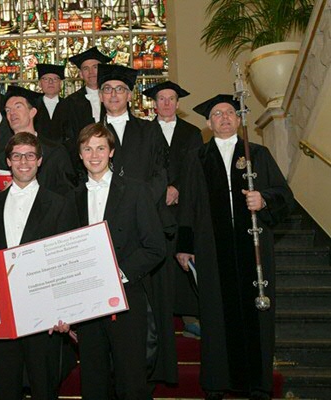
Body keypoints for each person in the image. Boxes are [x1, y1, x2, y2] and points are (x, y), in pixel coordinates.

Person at [176, 94, 294, 400]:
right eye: (217, 114)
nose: (224, 117)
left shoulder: (258, 154)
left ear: (238, 120)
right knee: (215, 313)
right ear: (208, 123)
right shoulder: (197, 158)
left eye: (229, 112)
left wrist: (264, 199)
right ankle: (216, 382)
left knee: (257, 312)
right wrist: (184, 245)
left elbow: (284, 194)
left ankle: (258, 383)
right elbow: (187, 204)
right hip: (211, 247)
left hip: (252, 245)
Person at [67, 123, 166, 399]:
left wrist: (118, 274)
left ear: (111, 152)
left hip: (126, 298)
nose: (94, 155)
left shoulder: (136, 191)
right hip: (87, 303)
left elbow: (155, 247)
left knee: (131, 379)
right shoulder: (72, 198)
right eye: (88, 149)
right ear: (80, 154)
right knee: (94, 378)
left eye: (101, 148)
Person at [0, 132, 77, 400]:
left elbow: (65, 261)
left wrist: (63, 309)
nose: (24, 161)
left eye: (30, 155)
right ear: (8, 161)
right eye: (17, 156)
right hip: (3, 312)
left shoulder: (59, 204)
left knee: (44, 388)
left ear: (40, 161)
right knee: (4, 388)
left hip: (43, 312)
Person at [98, 64, 178, 387]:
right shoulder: (93, 133)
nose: (114, 95)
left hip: (144, 231)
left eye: (119, 89)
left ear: (130, 95)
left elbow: (161, 174)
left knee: (149, 310)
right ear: (100, 95)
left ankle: (150, 372)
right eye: (107, 89)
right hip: (104, 232)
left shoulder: (149, 131)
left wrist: (138, 204)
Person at [143, 81, 203, 340]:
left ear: (178, 104)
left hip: (184, 204)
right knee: (158, 258)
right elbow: (143, 168)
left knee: (185, 255)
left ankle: (190, 314)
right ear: (154, 104)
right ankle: (158, 313)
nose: (166, 103)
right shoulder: (143, 132)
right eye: (161, 99)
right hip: (154, 206)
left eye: (171, 99)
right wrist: (161, 189)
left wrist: (177, 187)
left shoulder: (192, 132)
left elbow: (195, 168)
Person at [0, 85, 77, 199]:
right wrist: (3, 194)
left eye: (18, 107)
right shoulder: (0, 155)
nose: (12, 113)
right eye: (8, 110)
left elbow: (68, 193)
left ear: (32, 112)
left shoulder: (55, 152)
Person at [52, 46, 112, 173]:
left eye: (95, 67)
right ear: (80, 74)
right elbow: (64, 139)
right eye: (86, 68)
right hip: (79, 170)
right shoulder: (69, 104)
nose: (91, 72)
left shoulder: (116, 99)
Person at [34, 63, 65, 142]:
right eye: (46, 79)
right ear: (40, 83)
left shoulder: (70, 105)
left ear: (60, 83)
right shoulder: (33, 106)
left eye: (55, 79)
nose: (50, 82)